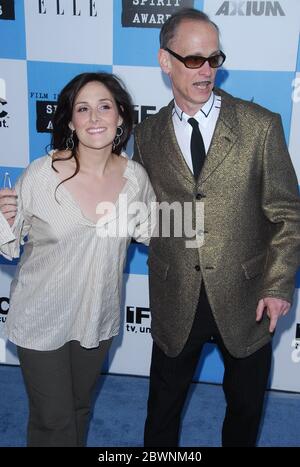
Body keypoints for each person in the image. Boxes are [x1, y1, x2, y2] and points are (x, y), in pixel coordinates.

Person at [133, 8, 300, 447]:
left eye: (214, 59)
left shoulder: (260, 126)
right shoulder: (146, 135)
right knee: (161, 412)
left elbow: (287, 213)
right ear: (165, 61)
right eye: (193, 60)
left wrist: (279, 286)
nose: (206, 70)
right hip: (175, 295)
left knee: (244, 412)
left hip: (247, 296)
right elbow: (139, 210)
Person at [0, 71, 155, 447]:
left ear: (120, 116)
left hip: (96, 318)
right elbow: (9, 243)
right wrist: (3, 218)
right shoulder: (41, 175)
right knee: (54, 422)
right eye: (82, 109)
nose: (94, 117)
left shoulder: (135, 179)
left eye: (104, 107)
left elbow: (158, 231)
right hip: (40, 318)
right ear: (70, 121)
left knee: (79, 408)